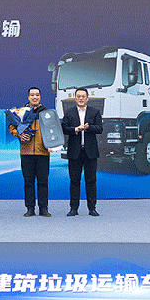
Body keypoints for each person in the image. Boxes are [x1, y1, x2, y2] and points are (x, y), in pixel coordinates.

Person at [8, 86, 50, 217]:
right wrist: (19, 134)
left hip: (43, 152)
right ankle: (30, 208)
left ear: (40, 97)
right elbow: (12, 127)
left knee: (43, 182)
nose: (34, 97)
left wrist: (52, 144)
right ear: (28, 97)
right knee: (28, 182)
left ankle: (43, 208)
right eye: (32, 95)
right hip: (26, 152)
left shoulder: (47, 112)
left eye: (37, 95)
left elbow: (53, 129)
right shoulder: (21, 112)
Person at [62, 87, 104, 216]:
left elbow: (100, 128)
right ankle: (73, 208)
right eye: (78, 96)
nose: (81, 99)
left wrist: (87, 128)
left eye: (83, 97)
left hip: (90, 152)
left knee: (91, 181)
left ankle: (92, 208)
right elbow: (64, 128)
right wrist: (75, 129)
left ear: (87, 98)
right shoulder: (69, 112)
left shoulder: (94, 112)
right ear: (75, 98)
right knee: (74, 181)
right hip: (75, 151)